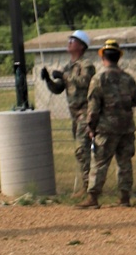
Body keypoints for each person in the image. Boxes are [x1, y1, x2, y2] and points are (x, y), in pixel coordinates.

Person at [80, 39, 136, 209]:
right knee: (125, 163)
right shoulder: (128, 79)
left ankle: (93, 198)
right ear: (118, 58)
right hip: (126, 127)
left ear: (103, 57)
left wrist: (91, 127)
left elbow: (93, 107)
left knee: (99, 163)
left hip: (106, 129)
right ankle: (124, 198)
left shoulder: (98, 79)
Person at [40, 30, 97, 196]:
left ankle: (87, 187)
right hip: (75, 114)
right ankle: (88, 184)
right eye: (69, 40)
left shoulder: (86, 65)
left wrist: (64, 76)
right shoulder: (69, 67)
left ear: (81, 46)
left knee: (81, 149)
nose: (69, 42)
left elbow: (84, 82)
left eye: (73, 40)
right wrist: (49, 80)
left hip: (85, 112)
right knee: (82, 150)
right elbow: (58, 89)